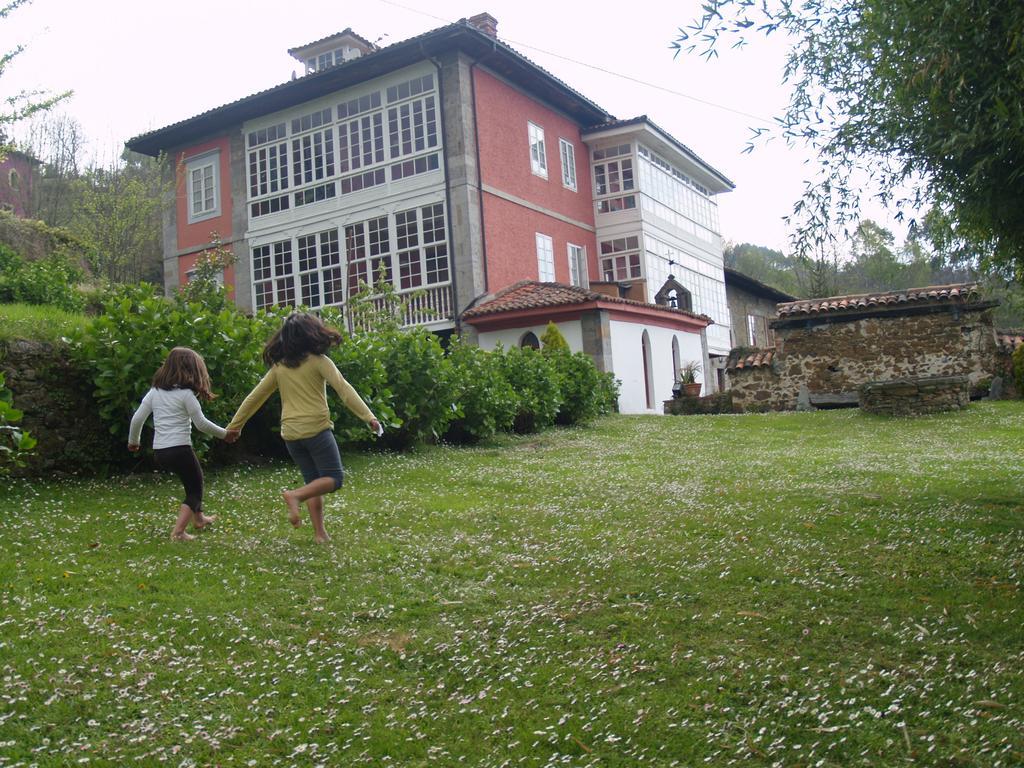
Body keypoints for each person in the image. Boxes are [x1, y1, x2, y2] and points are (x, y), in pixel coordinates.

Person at [225, 312, 380, 543]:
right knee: (334, 478)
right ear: (312, 334)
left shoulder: (279, 367)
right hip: (316, 430)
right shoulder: (319, 361)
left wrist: (234, 426)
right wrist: (368, 416)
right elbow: (344, 389)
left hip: (291, 435)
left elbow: (254, 397)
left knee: (313, 483)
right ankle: (294, 496)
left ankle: (320, 534)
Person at [128, 347, 231, 541]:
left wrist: (134, 442)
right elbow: (201, 424)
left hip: (160, 451)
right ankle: (178, 532)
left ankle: (199, 518)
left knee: (190, 479)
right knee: (195, 487)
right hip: (180, 449)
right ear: (193, 371)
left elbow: (137, 419)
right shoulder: (186, 395)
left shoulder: (154, 392)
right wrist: (225, 434)